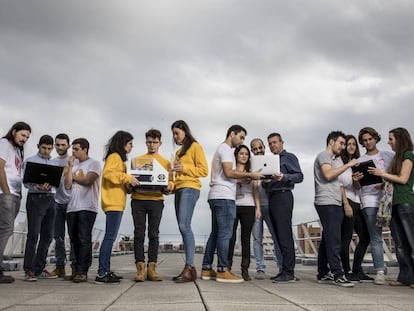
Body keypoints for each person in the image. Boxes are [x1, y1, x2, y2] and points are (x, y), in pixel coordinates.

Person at [201, 125, 262, 283]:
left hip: (216, 195)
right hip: (224, 197)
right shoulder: (227, 149)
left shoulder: (220, 149)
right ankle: (222, 270)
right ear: (232, 134)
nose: (242, 141)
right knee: (225, 234)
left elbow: (227, 176)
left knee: (215, 234)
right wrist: (250, 174)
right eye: (241, 137)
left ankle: (207, 268)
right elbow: (229, 173)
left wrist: (246, 178)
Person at [367, 127, 414, 288]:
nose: (388, 142)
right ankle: (406, 277)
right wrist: (382, 185)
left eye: (391, 139)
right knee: (400, 244)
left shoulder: (408, 156)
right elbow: (394, 180)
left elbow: (403, 179)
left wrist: (382, 173)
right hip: (393, 204)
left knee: (411, 241)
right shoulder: (396, 158)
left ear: (400, 140)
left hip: (406, 203)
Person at [313, 130, 358, 287]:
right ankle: (338, 274)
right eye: (341, 143)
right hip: (327, 202)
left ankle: (323, 273)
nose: (343, 146)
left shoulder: (331, 158)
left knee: (327, 239)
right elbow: (328, 175)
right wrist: (348, 165)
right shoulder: (324, 156)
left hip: (333, 201)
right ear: (331, 142)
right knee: (334, 239)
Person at [95, 131, 139, 284]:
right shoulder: (114, 157)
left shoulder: (118, 159)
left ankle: (105, 270)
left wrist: (128, 186)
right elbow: (109, 174)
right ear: (122, 143)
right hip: (113, 203)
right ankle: (101, 273)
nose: (131, 147)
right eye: (129, 144)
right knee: (109, 237)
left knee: (110, 237)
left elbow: (115, 178)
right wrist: (128, 178)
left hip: (116, 202)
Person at [130, 129, 172, 282]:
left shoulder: (166, 162)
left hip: (156, 200)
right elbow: (131, 179)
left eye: (155, 142)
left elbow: (171, 181)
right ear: (145, 142)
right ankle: (140, 269)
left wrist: (170, 187)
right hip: (138, 199)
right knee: (139, 234)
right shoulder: (136, 160)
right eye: (149, 142)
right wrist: (129, 183)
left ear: (160, 143)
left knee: (154, 234)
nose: (152, 145)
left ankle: (152, 268)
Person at [262, 133, 303, 283]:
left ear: (282, 143)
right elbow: (265, 182)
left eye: (275, 142)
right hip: (272, 196)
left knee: (285, 235)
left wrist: (284, 177)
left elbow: (299, 176)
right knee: (278, 236)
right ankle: (284, 270)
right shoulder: (269, 161)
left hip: (283, 195)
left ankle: (289, 272)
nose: (272, 145)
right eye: (270, 144)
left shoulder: (289, 157)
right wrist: (266, 181)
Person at [354, 127, 393, 285]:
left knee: (398, 235)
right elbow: (357, 187)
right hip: (369, 200)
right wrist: (356, 180)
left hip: (388, 199)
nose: (368, 142)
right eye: (364, 140)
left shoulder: (389, 156)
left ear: (376, 138)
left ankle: (407, 271)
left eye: (370, 139)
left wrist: (383, 182)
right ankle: (379, 271)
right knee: (376, 237)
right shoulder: (359, 161)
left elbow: (398, 174)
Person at [170, 120, 208, 283]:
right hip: (178, 189)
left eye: (177, 133)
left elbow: (204, 170)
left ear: (185, 131)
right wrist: (170, 184)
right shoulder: (178, 153)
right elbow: (176, 175)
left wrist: (184, 168)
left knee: (184, 225)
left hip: (190, 189)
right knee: (182, 226)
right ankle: (189, 269)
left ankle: (190, 266)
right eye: (173, 134)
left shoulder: (195, 147)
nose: (175, 136)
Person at [23, 135, 59, 281]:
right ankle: (29, 270)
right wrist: (36, 185)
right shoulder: (30, 160)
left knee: (48, 236)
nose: (46, 151)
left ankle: (39, 268)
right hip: (35, 198)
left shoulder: (55, 163)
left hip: (51, 199)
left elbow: (58, 182)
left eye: (50, 148)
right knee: (33, 235)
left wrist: (51, 185)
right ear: (38, 146)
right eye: (44, 148)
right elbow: (25, 182)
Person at [65, 138, 101, 283]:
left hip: (87, 207)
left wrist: (73, 176)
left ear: (85, 149)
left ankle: (82, 271)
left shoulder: (94, 163)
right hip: (71, 207)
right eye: (72, 149)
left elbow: (88, 181)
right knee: (74, 240)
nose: (73, 151)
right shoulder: (72, 165)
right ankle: (74, 269)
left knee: (84, 239)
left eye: (76, 149)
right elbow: (67, 185)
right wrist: (70, 166)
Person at [338, 135, 373, 283]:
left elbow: (357, 187)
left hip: (357, 201)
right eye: (348, 144)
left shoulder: (356, 164)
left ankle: (357, 269)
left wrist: (356, 180)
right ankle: (346, 271)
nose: (352, 146)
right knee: (345, 239)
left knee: (365, 237)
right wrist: (345, 204)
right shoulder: (340, 163)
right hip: (348, 203)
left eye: (354, 144)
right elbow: (339, 185)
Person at [0, 121, 31, 283]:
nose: (24, 139)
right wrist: (6, 192)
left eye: (27, 137)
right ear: (14, 132)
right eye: (22, 135)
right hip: (6, 194)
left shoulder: (17, 151)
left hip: (15, 195)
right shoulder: (4, 143)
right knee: (6, 229)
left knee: (4, 230)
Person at [250, 138, 283, 280]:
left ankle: (282, 268)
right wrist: (257, 207)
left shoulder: (273, 162)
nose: (258, 151)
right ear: (252, 150)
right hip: (256, 206)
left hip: (271, 206)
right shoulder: (251, 165)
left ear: (264, 147)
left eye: (260, 147)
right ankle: (260, 268)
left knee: (277, 238)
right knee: (257, 239)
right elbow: (254, 188)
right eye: (255, 149)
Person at [227, 145, 261, 281]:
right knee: (230, 237)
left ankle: (244, 269)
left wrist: (258, 208)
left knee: (246, 239)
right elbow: (227, 185)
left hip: (249, 206)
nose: (244, 156)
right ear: (236, 155)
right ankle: (227, 267)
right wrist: (239, 180)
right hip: (233, 205)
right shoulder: (231, 171)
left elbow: (255, 191)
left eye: (246, 154)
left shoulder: (252, 172)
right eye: (241, 153)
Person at [49, 133, 74, 278]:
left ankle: (75, 267)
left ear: (68, 145)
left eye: (63, 145)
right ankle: (60, 267)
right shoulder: (52, 162)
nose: (60, 147)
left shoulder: (73, 161)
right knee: (58, 237)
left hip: (71, 203)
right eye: (57, 144)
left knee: (73, 237)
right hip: (56, 202)